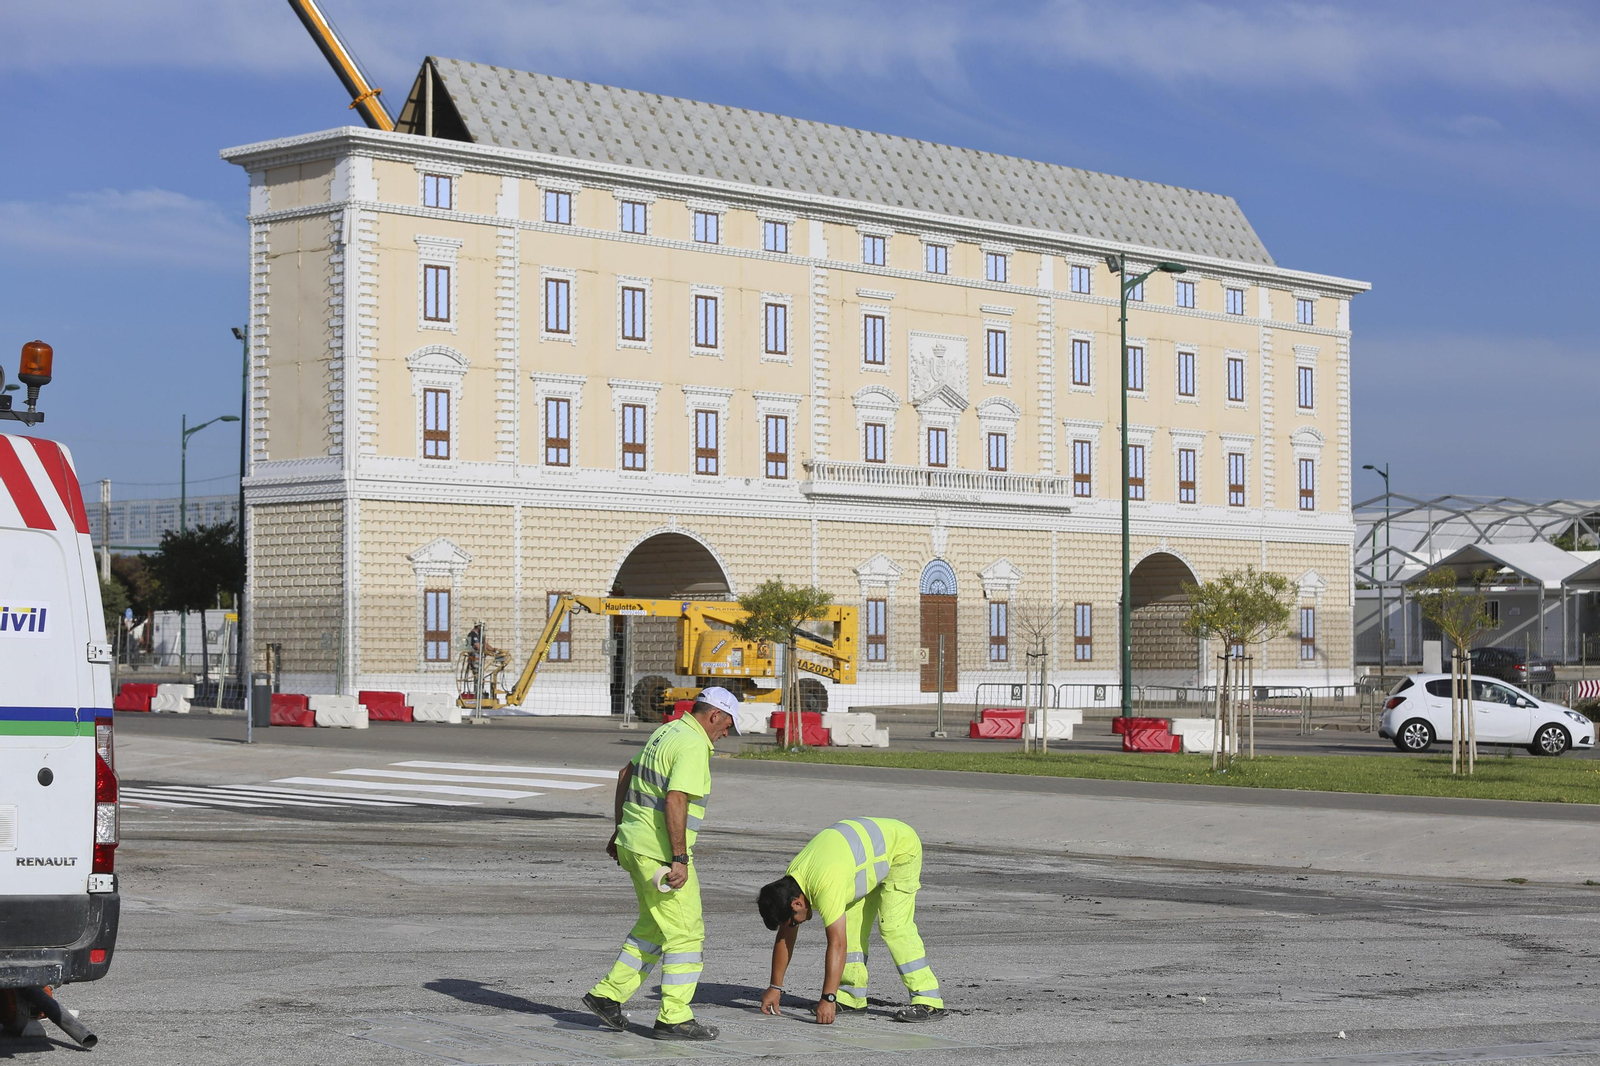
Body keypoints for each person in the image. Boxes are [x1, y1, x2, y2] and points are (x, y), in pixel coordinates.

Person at [583, 687, 741, 1041]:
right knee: (686, 934)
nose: (727, 733)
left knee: (654, 928)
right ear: (714, 715)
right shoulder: (693, 743)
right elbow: (676, 798)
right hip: (659, 854)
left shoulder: (667, 731)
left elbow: (626, 774)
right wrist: (680, 858)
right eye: (728, 724)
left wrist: (620, 829)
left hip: (636, 846)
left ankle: (607, 996)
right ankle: (674, 1017)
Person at [757, 817, 946, 1025]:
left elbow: (837, 944)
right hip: (863, 859)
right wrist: (775, 987)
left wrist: (827, 998)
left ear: (796, 905)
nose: (796, 926)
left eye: (794, 922)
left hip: (900, 848)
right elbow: (785, 937)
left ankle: (929, 999)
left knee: (894, 926)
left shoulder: (825, 886)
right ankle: (850, 997)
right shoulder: (791, 884)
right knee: (851, 926)